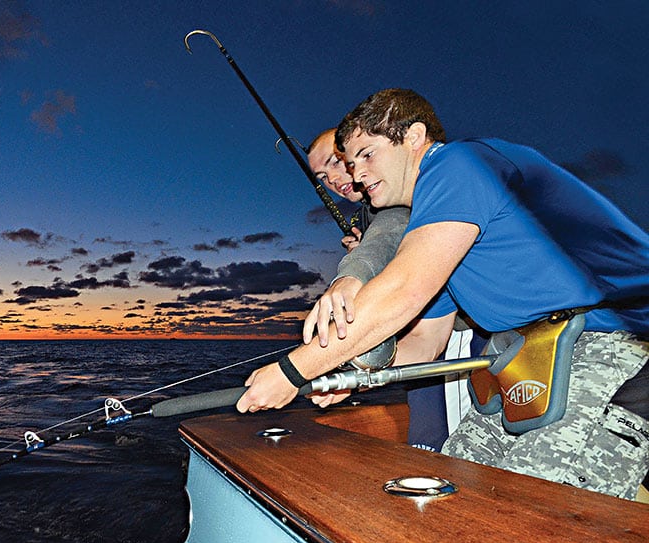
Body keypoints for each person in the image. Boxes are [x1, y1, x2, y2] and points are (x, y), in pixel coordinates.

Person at [239, 88, 649, 501]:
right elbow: (425, 342)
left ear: (414, 137)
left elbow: (403, 291)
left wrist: (294, 371)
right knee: (459, 490)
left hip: (617, 344)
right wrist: (352, 377)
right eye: (348, 162)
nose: (356, 173)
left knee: (535, 512)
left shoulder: (459, 163)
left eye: (366, 154)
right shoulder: (438, 233)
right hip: (530, 358)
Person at [308, 127, 477, 451]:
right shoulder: (369, 212)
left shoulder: (399, 199)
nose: (333, 179)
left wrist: (349, 278)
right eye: (322, 177)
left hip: (461, 335)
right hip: (424, 332)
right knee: (425, 446)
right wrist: (353, 377)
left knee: (446, 451)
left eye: (336, 162)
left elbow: (390, 230)